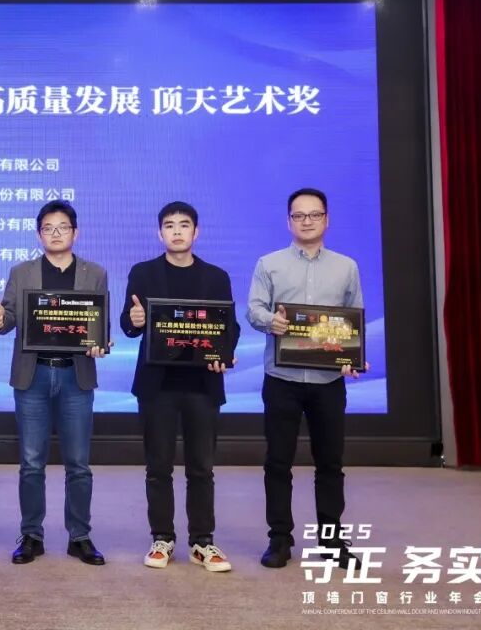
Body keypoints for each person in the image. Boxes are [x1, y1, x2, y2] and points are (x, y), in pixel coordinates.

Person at [247, 188, 367, 570]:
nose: (307, 221)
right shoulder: (269, 264)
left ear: (327, 219)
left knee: (330, 463)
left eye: (314, 214)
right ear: (289, 222)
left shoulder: (346, 267)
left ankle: (331, 541)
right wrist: (271, 321)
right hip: (281, 377)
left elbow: (354, 319)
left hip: (328, 381)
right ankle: (279, 539)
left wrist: (352, 358)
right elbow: (253, 310)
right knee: (277, 462)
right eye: (299, 215)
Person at [120, 201, 240, 572]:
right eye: (169, 225)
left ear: (195, 232)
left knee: (201, 467)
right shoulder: (143, 273)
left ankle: (203, 541)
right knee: (158, 466)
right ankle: (163, 538)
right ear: (160, 233)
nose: (176, 231)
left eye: (184, 225)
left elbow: (229, 327)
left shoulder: (216, 276)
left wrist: (226, 354)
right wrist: (134, 319)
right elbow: (128, 324)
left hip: (203, 384)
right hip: (157, 385)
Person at [0, 200, 110, 566]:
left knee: (78, 463)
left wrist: (101, 343)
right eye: (48, 228)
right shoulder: (22, 272)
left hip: (76, 374)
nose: (55, 233)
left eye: (62, 227)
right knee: (31, 462)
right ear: (39, 234)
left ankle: (80, 536)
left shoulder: (95, 273)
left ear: (76, 232)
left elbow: (100, 325)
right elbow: (9, 317)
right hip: (33, 374)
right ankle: (31, 535)